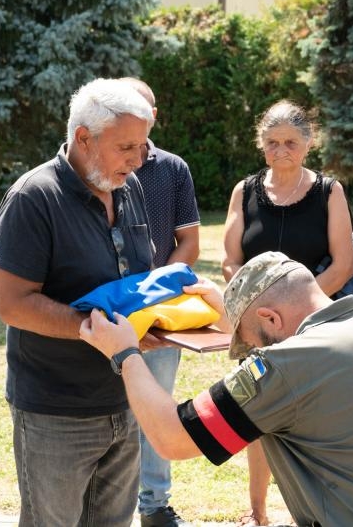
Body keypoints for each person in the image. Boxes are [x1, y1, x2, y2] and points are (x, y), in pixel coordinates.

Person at [78, 251, 353, 526]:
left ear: (272, 319)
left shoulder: (288, 365)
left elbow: (172, 438)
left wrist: (125, 353)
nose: (253, 352)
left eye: (253, 340)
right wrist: (236, 316)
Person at [0, 78, 156, 527]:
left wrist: (156, 320)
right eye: (126, 147)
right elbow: (14, 305)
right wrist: (96, 332)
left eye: (143, 146)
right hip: (55, 413)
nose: (138, 160)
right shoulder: (33, 198)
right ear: (83, 138)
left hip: (126, 398)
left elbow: (136, 278)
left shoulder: (129, 187)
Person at [220, 99, 353, 525]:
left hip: (315, 330)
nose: (282, 150)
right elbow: (229, 261)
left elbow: (343, 264)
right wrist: (257, 314)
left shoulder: (329, 191)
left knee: (316, 423)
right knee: (255, 420)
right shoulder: (245, 191)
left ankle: (317, 514)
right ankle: (257, 512)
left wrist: (299, 313)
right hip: (258, 333)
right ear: (262, 144)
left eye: (291, 142)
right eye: (273, 142)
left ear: (309, 142)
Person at [119, 77, 200, 527]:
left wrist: (153, 293)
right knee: (107, 410)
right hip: (105, 311)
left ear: (153, 118)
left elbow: (188, 240)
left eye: (144, 113)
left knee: (156, 405)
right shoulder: (95, 165)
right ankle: (108, 502)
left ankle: (153, 505)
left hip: (160, 313)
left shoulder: (173, 169)